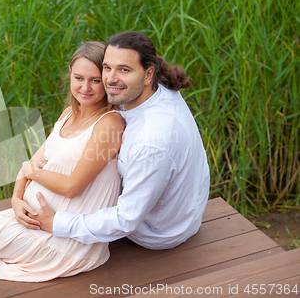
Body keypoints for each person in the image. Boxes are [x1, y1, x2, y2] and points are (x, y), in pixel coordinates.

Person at [0, 41, 125, 282]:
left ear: (106, 80)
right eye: (79, 78)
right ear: (70, 75)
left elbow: (72, 187)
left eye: (95, 80)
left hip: (68, 240)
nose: (85, 87)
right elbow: (29, 163)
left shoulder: (109, 124)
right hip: (36, 221)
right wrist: (16, 199)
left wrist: (32, 173)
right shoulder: (70, 114)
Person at [25, 31, 211, 250]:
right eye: (107, 68)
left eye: (124, 70)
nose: (110, 79)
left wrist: (58, 223)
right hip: (185, 213)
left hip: (156, 232)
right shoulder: (154, 88)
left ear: (148, 74)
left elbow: (126, 221)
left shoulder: (151, 141)